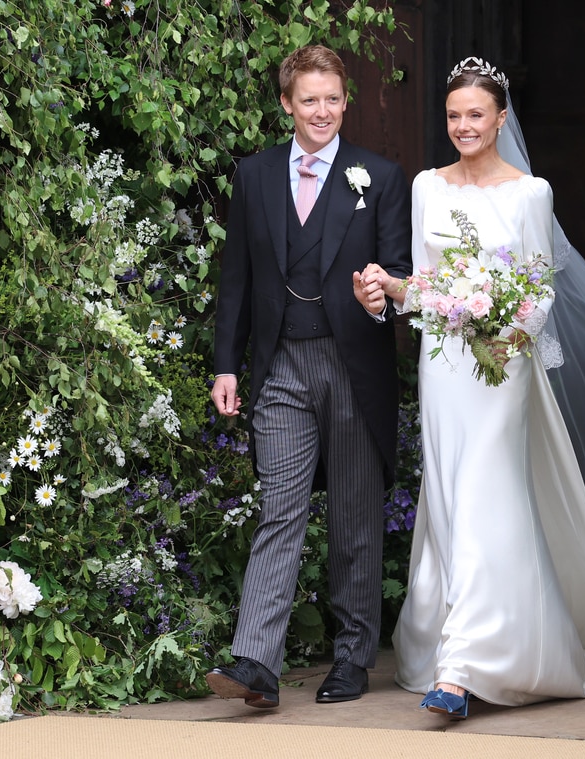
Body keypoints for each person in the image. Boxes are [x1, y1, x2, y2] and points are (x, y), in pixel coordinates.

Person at [354, 57, 585, 718]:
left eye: (475, 114)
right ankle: (458, 647)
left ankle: (463, 669)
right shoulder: (426, 187)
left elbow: (539, 290)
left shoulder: (531, 193)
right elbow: (424, 285)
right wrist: (386, 289)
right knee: (447, 499)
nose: (463, 126)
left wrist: (509, 337)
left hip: (502, 368)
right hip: (444, 365)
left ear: (500, 118)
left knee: (484, 499)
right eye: (453, 115)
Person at [207, 44, 411, 709]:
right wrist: (227, 365)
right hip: (280, 367)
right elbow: (234, 279)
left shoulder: (378, 176)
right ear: (287, 104)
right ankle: (256, 663)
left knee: (354, 513)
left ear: (345, 101)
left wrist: (380, 296)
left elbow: (398, 272)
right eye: (309, 99)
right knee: (280, 509)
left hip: (353, 362)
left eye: (332, 99)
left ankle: (353, 656)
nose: (322, 111)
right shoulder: (256, 176)